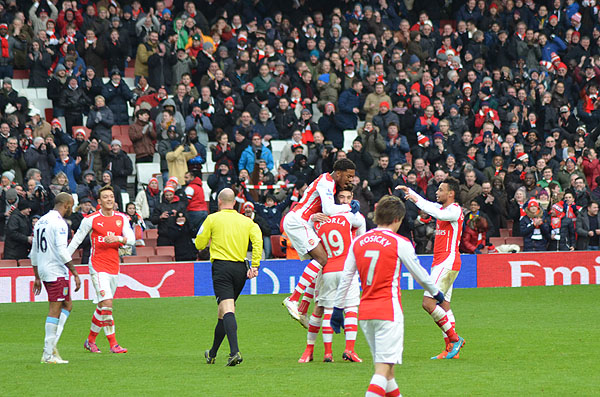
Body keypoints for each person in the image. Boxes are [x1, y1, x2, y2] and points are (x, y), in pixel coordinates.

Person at [331, 195, 445, 397]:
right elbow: (419, 273)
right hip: (388, 312)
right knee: (382, 371)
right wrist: (436, 293)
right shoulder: (399, 243)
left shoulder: (358, 242)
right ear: (397, 219)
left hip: (365, 314)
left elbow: (347, 277)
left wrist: (338, 309)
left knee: (388, 372)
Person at [281, 158, 359, 324]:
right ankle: (293, 299)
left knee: (323, 261)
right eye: (349, 176)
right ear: (338, 173)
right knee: (322, 258)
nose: (351, 179)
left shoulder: (330, 183)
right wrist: (348, 207)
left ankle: (302, 308)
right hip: (298, 221)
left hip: (304, 222)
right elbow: (329, 209)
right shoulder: (326, 182)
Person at [396, 177, 466, 359]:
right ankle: (451, 350)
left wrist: (413, 197)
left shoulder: (454, 210)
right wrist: (411, 194)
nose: (437, 192)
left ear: (451, 193)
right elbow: (431, 206)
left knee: (428, 303)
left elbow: (436, 213)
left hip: (447, 262)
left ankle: (455, 339)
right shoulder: (444, 209)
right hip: (443, 262)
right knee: (444, 305)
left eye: (441, 190)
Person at [298, 188, 366, 364]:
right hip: (342, 268)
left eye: (348, 198)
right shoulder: (352, 217)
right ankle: (347, 349)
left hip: (327, 268)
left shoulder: (320, 220)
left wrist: (312, 218)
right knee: (345, 308)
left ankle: (327, 353)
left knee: (325, 308)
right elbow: (361, 240)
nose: (344, 201)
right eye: (341, 197)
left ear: (352, 198)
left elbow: (304, 227)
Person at [195, 188, 262, 366]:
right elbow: (258, 239)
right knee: (223, 312)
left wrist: (207, 241)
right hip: (240, 269)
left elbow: (199, 242)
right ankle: (212, 353)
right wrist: (255, 264)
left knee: (228, 310)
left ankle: (234, 352)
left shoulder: (212, 218)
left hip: (222, 268)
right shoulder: (246, 221)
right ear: (235, 202)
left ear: (219, 202)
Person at [67, 185, 135, 354]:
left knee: (102, 306)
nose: (109, 199)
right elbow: (76, 240)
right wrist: (64, 259)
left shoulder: (122, 218)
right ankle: (113, 344)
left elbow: (132, 239)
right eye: (105, 197)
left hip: (114, 266)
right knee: (107, 303)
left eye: (111, 196)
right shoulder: (91, 219)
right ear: (99, 201)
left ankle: (90, 341)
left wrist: (118, 238)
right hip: (97, 266)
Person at [31, 193, 81, 364]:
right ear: (66, 204)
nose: (72, 209)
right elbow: (61, 250)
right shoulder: (59, 223)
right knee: (55, 307)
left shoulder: (41, 222)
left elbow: (34, 252)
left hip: (44, 269)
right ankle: (48, 353)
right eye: (72, 205)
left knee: (67, 304)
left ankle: (52, 345)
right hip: (55, 270)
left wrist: (37, 276)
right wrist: (74, 272)